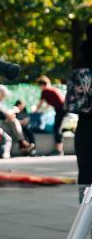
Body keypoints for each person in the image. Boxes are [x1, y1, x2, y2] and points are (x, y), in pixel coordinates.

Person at [65, 35, 92, 203]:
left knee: (86, 172)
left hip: (86, 126)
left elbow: (72, 105)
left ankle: (86, 215)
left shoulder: (78, 73)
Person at [0, 86, 36, 158]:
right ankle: (20, 144)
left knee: (14, 122)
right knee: (8, 136)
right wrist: (14, 110)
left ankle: (21, 143)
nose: (4, 97)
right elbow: (8, 115)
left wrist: (13, 115)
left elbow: (6, 116)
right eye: (3, 95)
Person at [35, 75, 66, 155]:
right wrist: (43, 111)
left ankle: (59, 150)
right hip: (62, 109)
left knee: (57, 129)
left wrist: (35, 112)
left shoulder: (45, 91)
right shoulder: (51, 90)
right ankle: (59, 149)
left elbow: (40, 104)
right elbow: (49, 104)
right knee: (57, 128)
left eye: (40, 86)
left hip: (61, 110)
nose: (40, 88)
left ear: (42, 85)